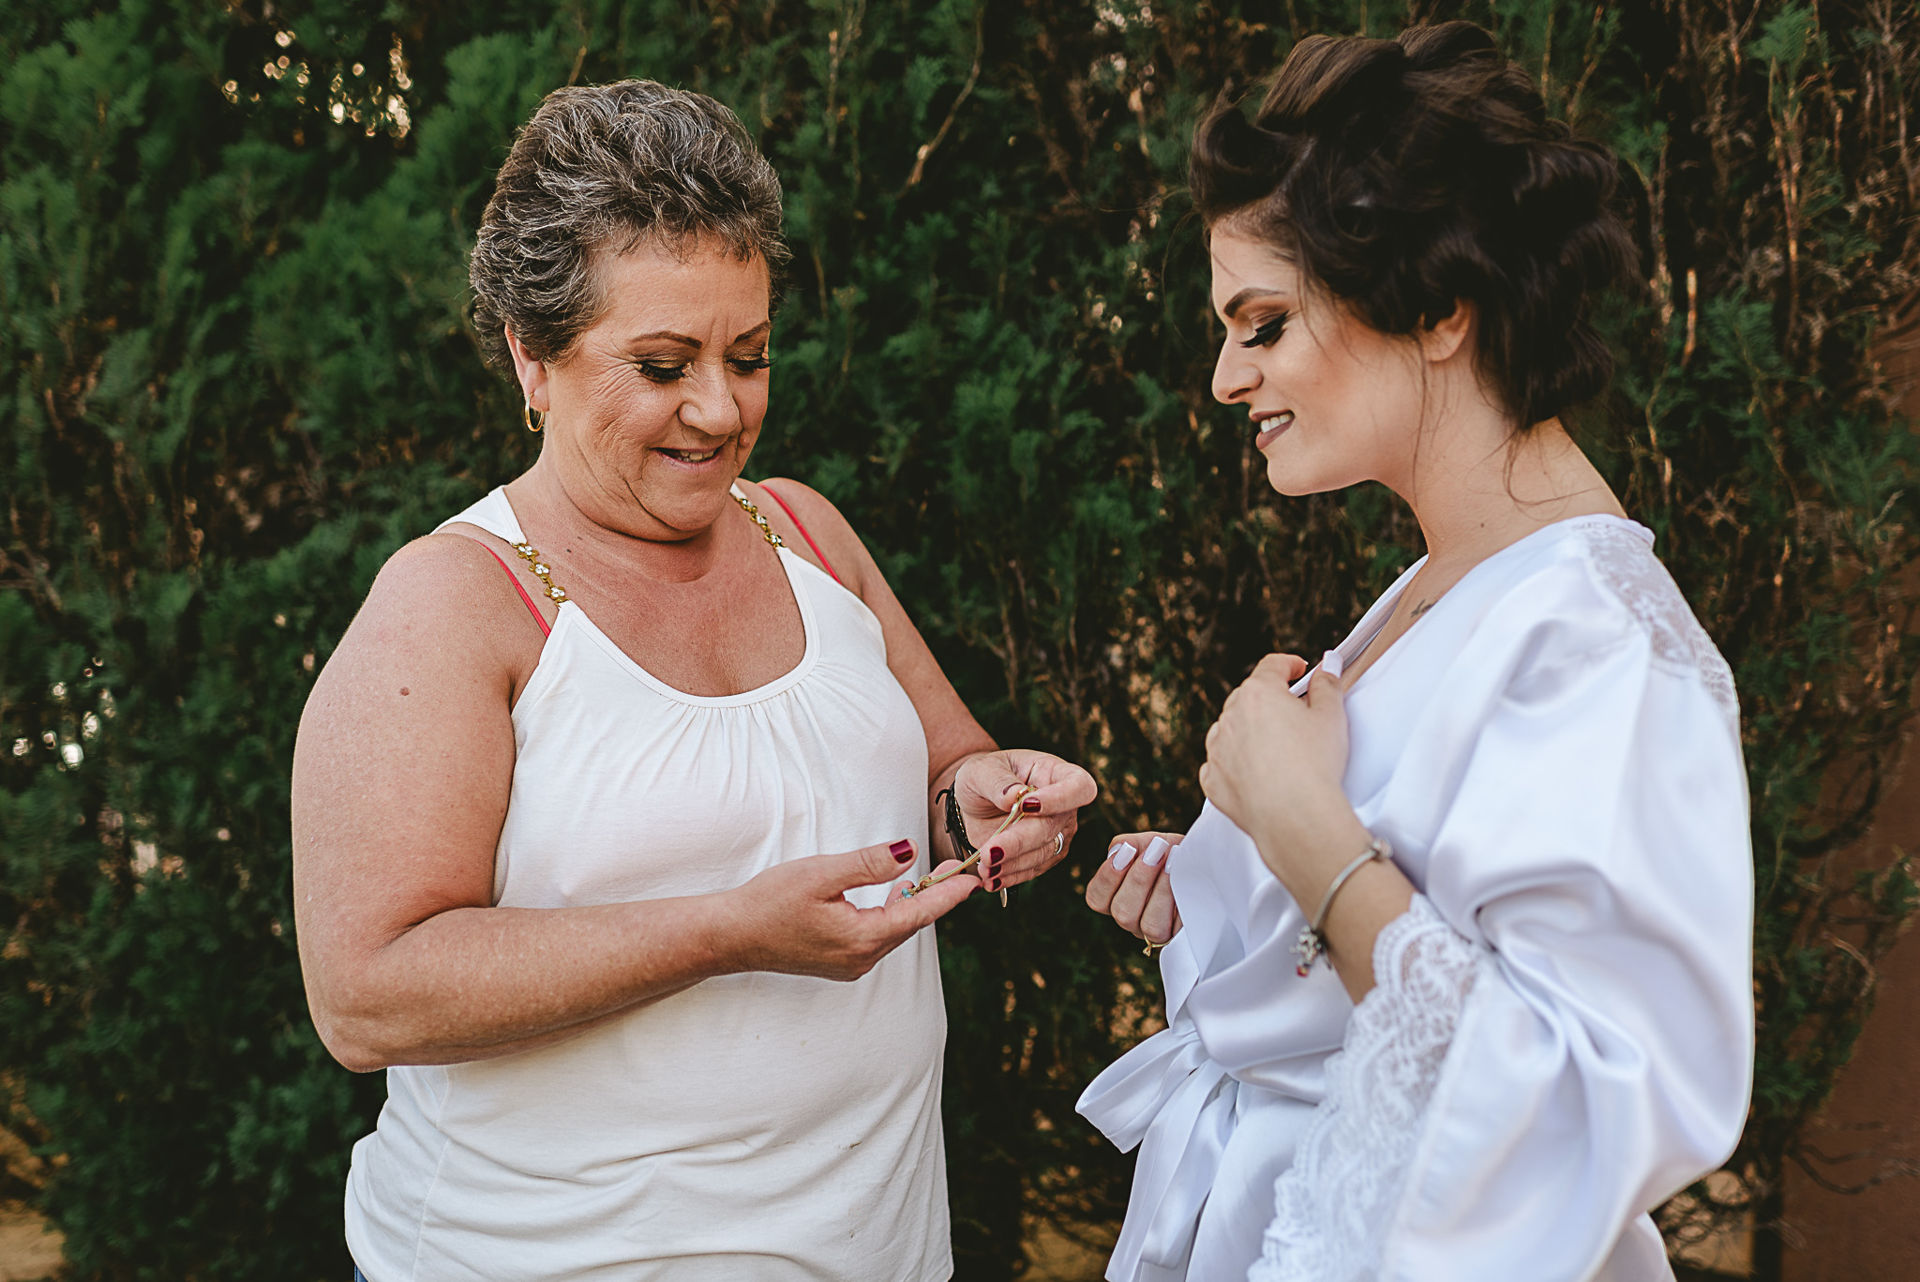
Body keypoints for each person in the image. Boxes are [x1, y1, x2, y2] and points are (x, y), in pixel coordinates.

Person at [290, 80, 1095, 1281]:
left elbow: (941, 774)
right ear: (532, 354)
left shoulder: (807, 534)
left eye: (749, 355)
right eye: (663, 363)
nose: (720, 410)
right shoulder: (450, 604)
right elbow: (367, 995)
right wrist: (728, 930)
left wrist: (985, 803)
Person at [1078, 23, 1752, 1282]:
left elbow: (1576, 1095)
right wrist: (1223, 891)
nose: (1226, 376)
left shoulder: (1603, 640)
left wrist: (1297, 825)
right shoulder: (1440, 585)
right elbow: (1407, 936)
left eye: (1265, 323)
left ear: (1439, 308)